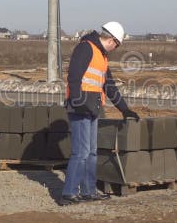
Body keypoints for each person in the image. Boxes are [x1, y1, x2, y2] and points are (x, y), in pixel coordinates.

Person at [60, 21, 140, 205]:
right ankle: (69, 192)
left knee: (91, 152)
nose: (115, 48)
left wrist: (124, 109)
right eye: (117, 45)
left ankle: (89, 191)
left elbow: (109, 86)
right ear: (112, 40)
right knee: (81, 152)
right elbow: (74, 77)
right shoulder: (85, 48)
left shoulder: (102, 57)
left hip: (93, 108)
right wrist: (79, 102)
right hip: (80, 108)